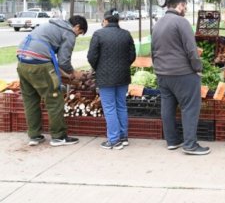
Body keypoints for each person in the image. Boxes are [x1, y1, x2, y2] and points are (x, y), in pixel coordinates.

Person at [16, 15, 88, 147]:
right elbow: (64, 62)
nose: (77, 36)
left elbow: (54, 61)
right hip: (39, 62)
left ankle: (34, 136)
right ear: (77, 27)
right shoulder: (69, 32)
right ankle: (59, 137)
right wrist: (74, 74)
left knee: (30, 100)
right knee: (54, 99)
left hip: (22, 60)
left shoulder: (51, 25)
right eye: (80, 33)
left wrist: (66, 73)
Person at [151, 0, 210, 156]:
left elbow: (153, 50)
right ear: (180, 5)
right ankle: (190, 144)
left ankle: (172, 140)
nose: (185, 10)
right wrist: (198, 67)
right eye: (185, 6)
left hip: (162, 73)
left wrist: (158, 69)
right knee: (190, 107)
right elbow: (192, 49)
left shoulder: (157, 24)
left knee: (167, 107)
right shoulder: (181, 22)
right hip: (182, 73)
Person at [87, 9, 136, 150]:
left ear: (106, 20)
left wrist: (99, 68)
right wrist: (123, 66)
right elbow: (132, 55)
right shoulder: (126, 34)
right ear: (117, 20)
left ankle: (113, 140)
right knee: (121, 105)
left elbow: (91, 57)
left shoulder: (98, 34)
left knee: (109, 107)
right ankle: (123, 136)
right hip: (123, 76)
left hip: (105, 77)